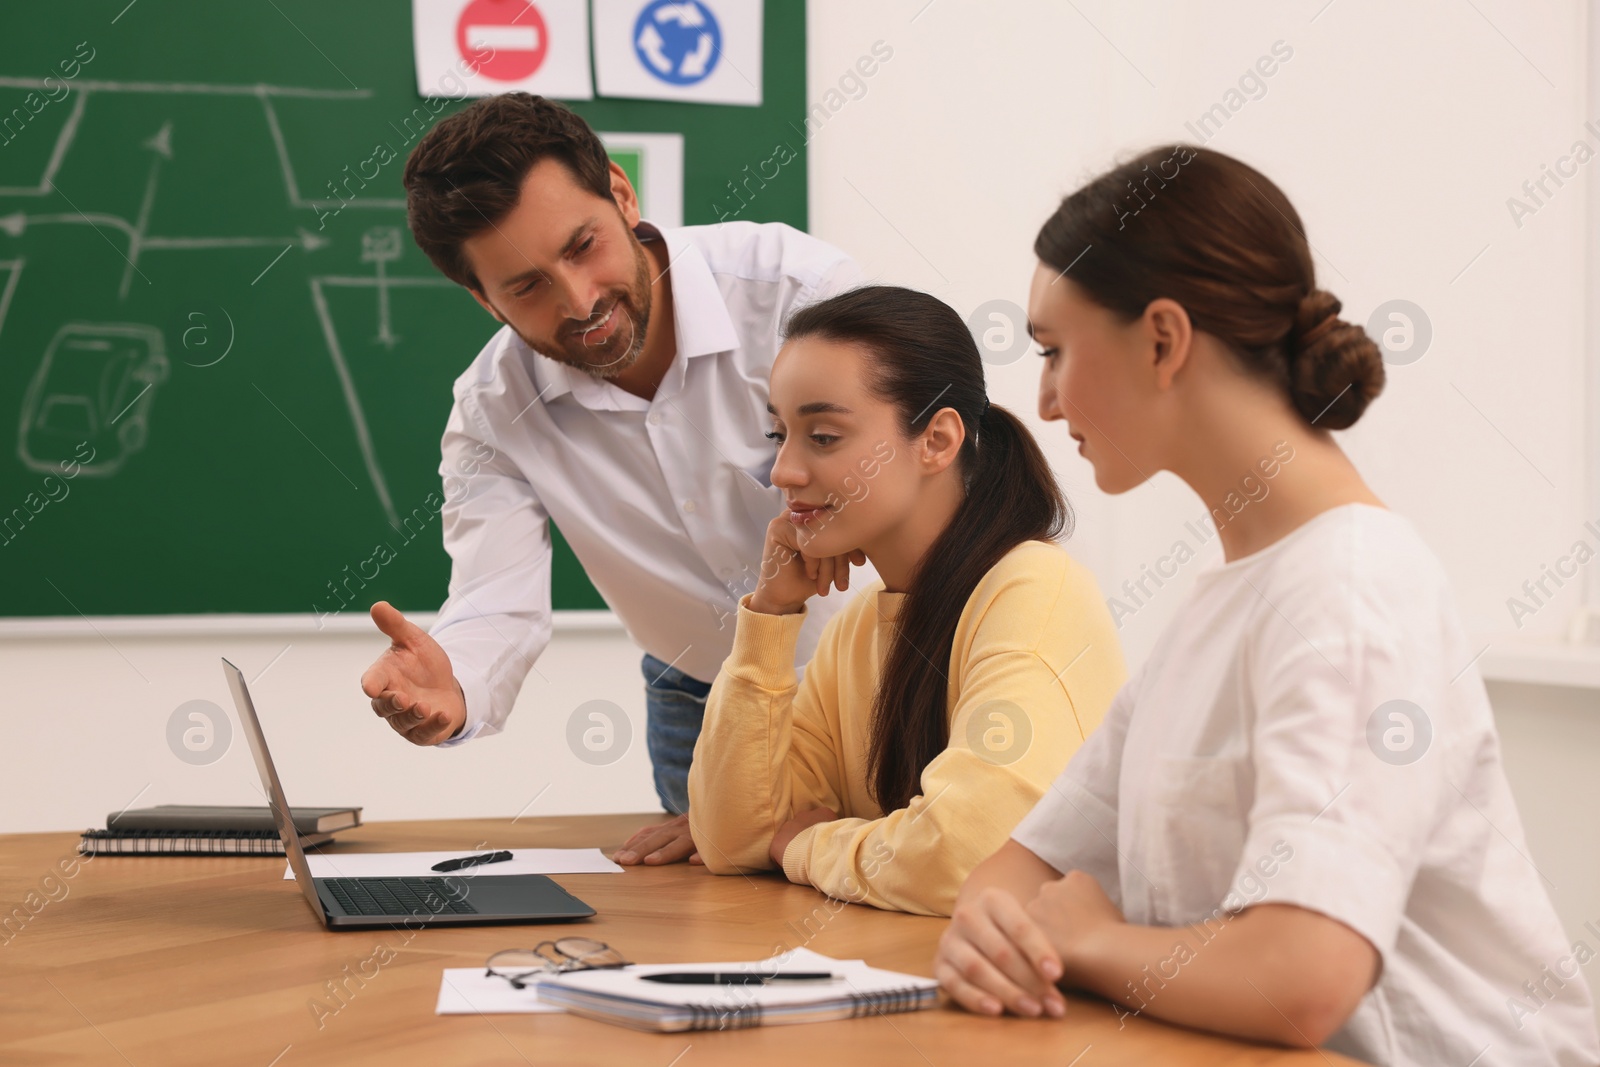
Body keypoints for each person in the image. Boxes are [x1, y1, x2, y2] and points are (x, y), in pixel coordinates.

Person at [933, 145, 1600, 1064]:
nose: (1042, 402)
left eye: (1054, 351)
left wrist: (1084, 940)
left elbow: (1300, 980)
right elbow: (1008, 882)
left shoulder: (1353, 588)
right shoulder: (1223, 600)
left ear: (1163, 339)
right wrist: (1004, 935)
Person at [357, 93, 870, 864]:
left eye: (583, 245)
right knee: (724, 939)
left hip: (877, 675)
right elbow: (494, 601)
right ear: (482, 300)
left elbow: (929, 482)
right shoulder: (493, 410)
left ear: (623, 196)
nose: (581, 299)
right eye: (525, 287)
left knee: (902, 910)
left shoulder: (800, 293)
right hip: (702, 702)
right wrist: (452, 685)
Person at [685, 285, 1126, 916]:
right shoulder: (861, 626)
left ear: (938, 441)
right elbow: (734, 840)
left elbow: (968, 859)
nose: (783, 470)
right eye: (779, 433)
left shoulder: (1034, 590)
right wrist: (772, 614)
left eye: (824, 435)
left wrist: (810, 847)